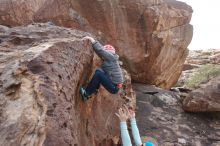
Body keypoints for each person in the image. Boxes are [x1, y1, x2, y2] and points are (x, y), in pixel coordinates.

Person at [80, 36, 124, 102]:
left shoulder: (110, 57)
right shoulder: (111, 58)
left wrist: (93, 41)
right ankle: (94, 89)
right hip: (114, 85)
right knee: (98, 71)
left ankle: (86, 94)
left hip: (114, 87)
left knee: (98, 74)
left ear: (108, 53)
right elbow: (101, 53)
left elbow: (100, 51)